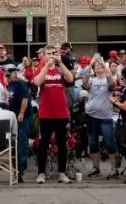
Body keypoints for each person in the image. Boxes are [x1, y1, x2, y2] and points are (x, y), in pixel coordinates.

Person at [33, 45, 74, 184]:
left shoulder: (60, 69)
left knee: (62, 144)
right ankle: (41, 173)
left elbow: (70, 79)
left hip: (61, 113)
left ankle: (62, 173)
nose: (52, 55)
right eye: (49, 53)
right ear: (44, 55)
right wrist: (46, 66)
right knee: (43, 144)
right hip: (46, 114)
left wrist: (60, 63)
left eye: (54, 53)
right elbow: (37, 82)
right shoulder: (40, 69)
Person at [82, 58, 118, 179]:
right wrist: (90, 65)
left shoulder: (107, 79)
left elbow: (113, 85)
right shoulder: (92, 79)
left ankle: (114, 169)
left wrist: (106, 68)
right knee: (92, 143)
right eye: (96, 65)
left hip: (105, 116)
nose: (98, 66)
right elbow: (84, 82)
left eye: (100, 64)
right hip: (91, 116)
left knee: (109, 141)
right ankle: (95, 168)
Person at [6, 64, 32, 182]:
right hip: (13, 115)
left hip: (23, 116)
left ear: (14, 73)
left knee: (22, 140)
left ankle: (21, 167)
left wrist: (21, 113)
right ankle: (17, 167)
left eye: (9, 74)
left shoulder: (21, 83)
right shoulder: (10, 84)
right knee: (16, 141)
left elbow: (25, 99)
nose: (7, 76)